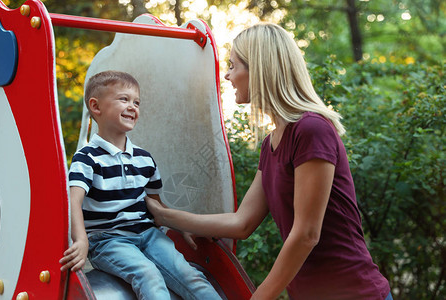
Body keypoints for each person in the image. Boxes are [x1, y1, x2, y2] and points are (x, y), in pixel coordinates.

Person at [146, 23, 392, 300]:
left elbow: (306, 234)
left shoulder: (311, 130)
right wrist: (165, 215)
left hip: (355, 293)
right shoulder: (272, 143)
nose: (227, 76)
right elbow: (242, 223)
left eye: (232, 65)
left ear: (259, 70)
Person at [59, 70, 221, 300]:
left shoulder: (144, 159)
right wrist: (81, 240)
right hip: (108, 240)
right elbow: (73, 201)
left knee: (190, 275)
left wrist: (182, 225)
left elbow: (156, 205)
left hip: (148, 234)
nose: (133, 107)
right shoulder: (86, 158)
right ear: (96, 107)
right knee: (148, 275)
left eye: (137, 102)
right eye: (124, 99)